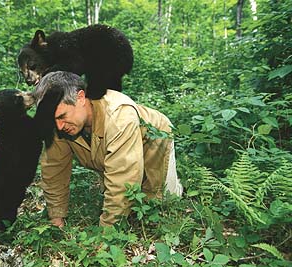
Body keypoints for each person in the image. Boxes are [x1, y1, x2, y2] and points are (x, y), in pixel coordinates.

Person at [32, 71, 183, 227]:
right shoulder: (59, 125)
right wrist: (56, 216)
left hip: (153, 139)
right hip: (114, 151)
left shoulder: (119, 116)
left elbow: (123, 180)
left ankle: (177, 187)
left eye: (62, 116)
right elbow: (54, 169)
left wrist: (106, 234)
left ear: (80, 98)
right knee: (124, 206)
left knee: (160, 205)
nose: (59, 126)